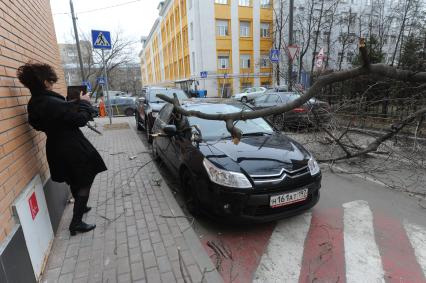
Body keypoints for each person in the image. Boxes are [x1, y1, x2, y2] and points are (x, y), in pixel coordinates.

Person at [17, 62, 107, 236]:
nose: (52, 83)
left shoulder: (34, 102)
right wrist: (85, 103)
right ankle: (76, 223)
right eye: (50, 80)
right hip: (71, 147)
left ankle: (81, 206)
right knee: (85, 180)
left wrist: (70, 105)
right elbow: (81, 120)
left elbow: (42, 122)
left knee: (74, 178)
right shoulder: (51, 102)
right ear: (45, 82)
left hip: (56, 146)